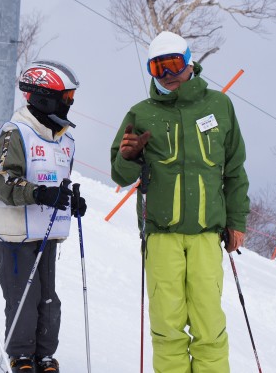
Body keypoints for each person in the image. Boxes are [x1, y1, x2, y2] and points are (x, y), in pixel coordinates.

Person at [110, 31, 250, 373]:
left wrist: (237, 222)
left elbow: (233, 170)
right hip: (160, 236)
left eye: (173, 64)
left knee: (209, 326)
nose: (168, 74)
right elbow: (120, 174)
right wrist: (130, 157)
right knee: (167, 327)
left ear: (189, 62)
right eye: (157, 68)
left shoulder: (219, 106)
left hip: (206, 235)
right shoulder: (140, 113)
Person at [0, 61, 86, 373]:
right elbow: (3, 179)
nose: (69, 103)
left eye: (71, 97)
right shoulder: (15, 132)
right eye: (65, 97)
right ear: (43, 97)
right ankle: (20, 355)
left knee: (48, 298)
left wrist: (71, 200)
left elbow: (61, 181)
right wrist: (40, 193)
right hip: (14, 233)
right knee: (23, 297)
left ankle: (44, 354)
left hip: (47, 230)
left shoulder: (64, 139)